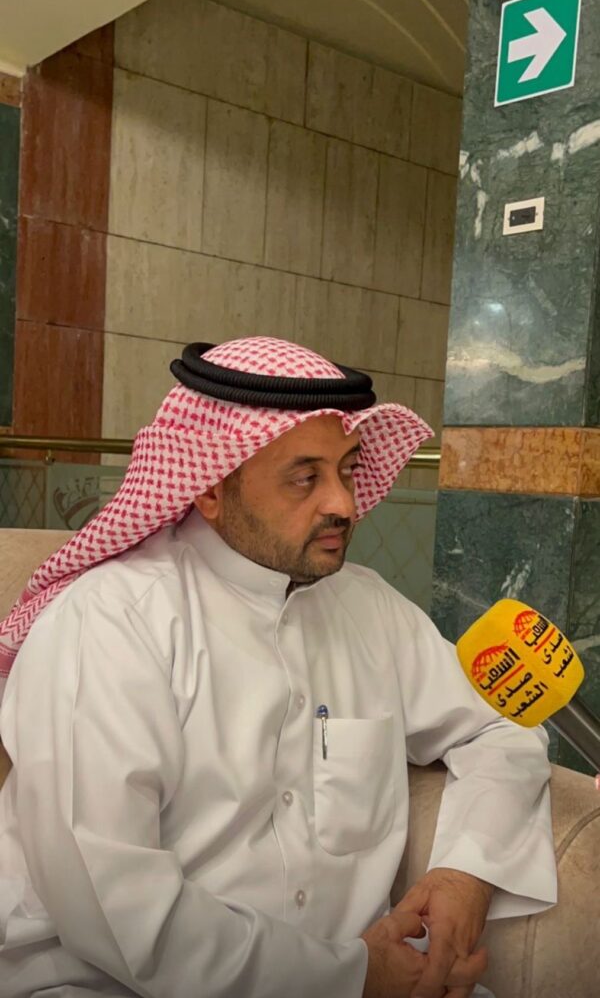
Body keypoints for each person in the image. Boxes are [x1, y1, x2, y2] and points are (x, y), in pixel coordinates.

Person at [0, 337, 556, 998]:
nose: (344, 504)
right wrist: (354, 977)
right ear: (211, 486)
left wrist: (466, 873)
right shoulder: (112, 623)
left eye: (347, 470)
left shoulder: (369, 608)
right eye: (305, 477)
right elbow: (110, 905)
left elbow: (500, 731)